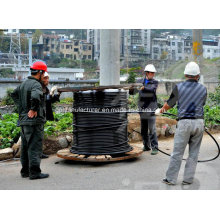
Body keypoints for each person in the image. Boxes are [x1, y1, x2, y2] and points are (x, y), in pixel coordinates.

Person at [156, 61, 207, 185]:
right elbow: (202, 104)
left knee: (178, 152)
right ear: (197, 76)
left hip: (184, 123)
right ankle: (188, 179)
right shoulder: (203, 88)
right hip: (199, 122)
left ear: (185, 75)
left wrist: (162, 109)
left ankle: (171, 179)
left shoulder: (179, 87)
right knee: (194, 153)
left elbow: (169, 104)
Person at [11, 61, 49, 180]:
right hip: (33, 121)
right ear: (40, 72)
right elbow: (35, 97)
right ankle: (34, 172)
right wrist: (32, 109)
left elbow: (14, 94)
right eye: (43, 73)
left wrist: (22, 108)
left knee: (25, 147)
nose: (44, 75)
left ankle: (25, 171)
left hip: (23, 120)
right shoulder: (36, 85)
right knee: (34, 147)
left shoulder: (24, 84)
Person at [138, 64, 159, 155]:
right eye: (151, 73)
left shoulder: (155, 82)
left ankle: (155, 148)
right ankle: (146, 145)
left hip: (151, 108)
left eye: (153, 73)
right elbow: (134, 91)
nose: (152, 74)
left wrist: (144, 87)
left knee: (152, 129)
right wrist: (132, 89)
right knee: (143, 129)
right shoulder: (139, 81)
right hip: (142, 108)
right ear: (146, 73)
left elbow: (151, 89)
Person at [40, 72, 61, 159]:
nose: (47, 80)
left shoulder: (45, 88)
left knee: (40, 134)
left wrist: (57, 94)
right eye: (45, 78)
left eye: (48, 78)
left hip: (43, 115)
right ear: (40, 78)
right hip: (38, 114)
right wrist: (50, 94)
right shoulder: (38, 88)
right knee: (37, 136)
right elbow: (44, 99)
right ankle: (36, 154)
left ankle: (39, 153)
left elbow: (49, 100)